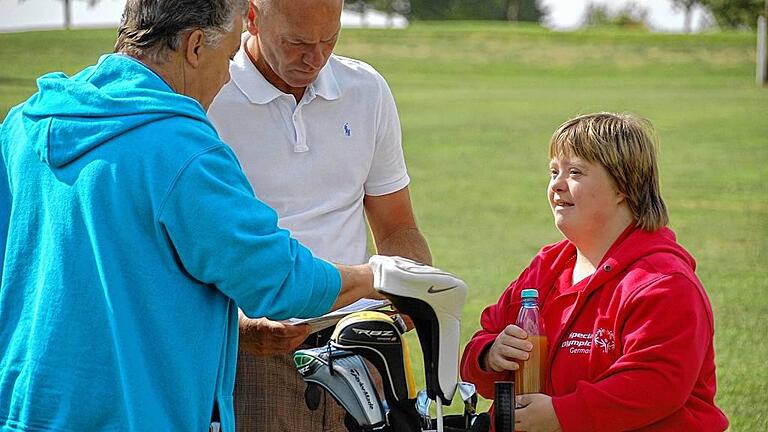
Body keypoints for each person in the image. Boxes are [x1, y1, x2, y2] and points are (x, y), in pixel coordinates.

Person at [0, 0, 395, 430]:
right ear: (193, 47)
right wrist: (377, 278)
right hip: (137, 416)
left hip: (22, 410)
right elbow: (279, 281)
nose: (227, 75)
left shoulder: (21, 125)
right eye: (228, 57)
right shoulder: (185, 148)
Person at [206, 0, 432, 431]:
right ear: (251, 17)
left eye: (330, 39)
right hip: (250, 359)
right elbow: (180, 256)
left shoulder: (367, 89)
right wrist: (240, 327)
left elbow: (399, 227)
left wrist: (411, 286)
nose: (316, 58)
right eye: (297, 43)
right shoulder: (209, 94)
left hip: (359, 349)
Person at [460, 113, 728, 432]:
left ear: (623, 187)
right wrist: (491, 354)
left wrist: (561, 415)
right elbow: (479, 347)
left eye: (575, 172)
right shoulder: (546, 267)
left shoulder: (664, 283)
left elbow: (655, 386)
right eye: (554, 171)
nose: (557, 185)